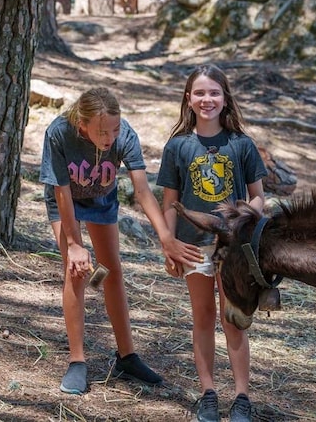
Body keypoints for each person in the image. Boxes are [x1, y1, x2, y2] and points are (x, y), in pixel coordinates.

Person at [40, 87, 171, 395]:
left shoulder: (125, 135)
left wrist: (165, 236)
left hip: (101, 198)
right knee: (76, 271)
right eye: (102, 131)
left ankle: (127, 356)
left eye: (114, 128)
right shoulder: (59, 133)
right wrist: (74, 243)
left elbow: (141, 191)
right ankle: (77, 361)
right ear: (82, 124)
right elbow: (61, 193)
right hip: (67, 201)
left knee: (111, 271)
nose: (110, 137)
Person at [157, 65, 268, 422]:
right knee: (202, 316)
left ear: (225, 99)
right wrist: (168, 244)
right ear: (188, 99)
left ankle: (241, 398)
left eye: (214, 93)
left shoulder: (241, 144)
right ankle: (208, 393)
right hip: (192, 247)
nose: (207, 99)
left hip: (232, 250)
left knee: (232, 318)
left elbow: (259, 198)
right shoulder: (177, 146)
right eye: (200, 93)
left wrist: (241, 222)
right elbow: (170, 200)